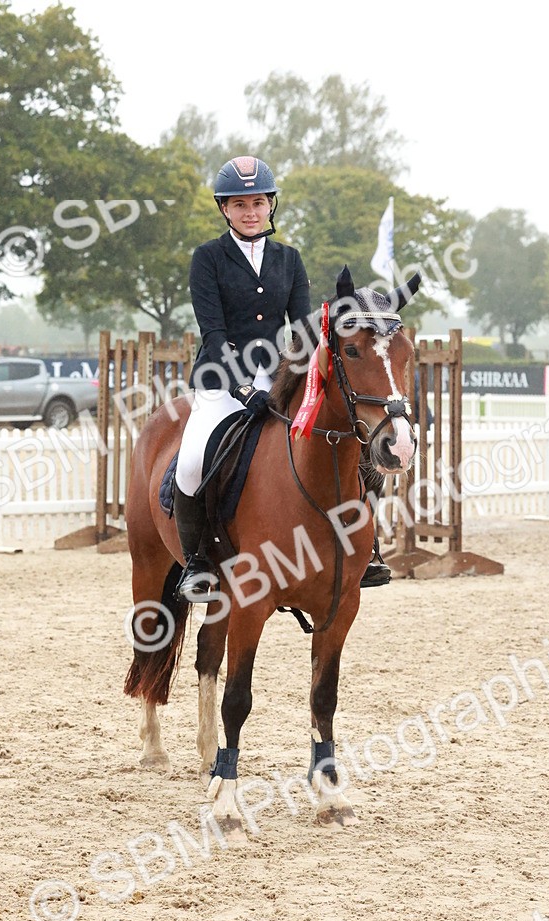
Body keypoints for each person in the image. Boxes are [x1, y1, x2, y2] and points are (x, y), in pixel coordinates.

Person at [174, 154, 390, 602]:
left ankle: (366, 548)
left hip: (278, 381)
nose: (249, 212)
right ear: (224, 209)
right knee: (195, 460)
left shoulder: (288, 259)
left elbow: (305, 328)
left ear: (271, 204)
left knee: (351, 445)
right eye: (239, 204)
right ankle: (198, 560)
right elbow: (213, 333)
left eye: (257, 202)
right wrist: (242, 388)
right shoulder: (207, 258)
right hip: (222, 382)